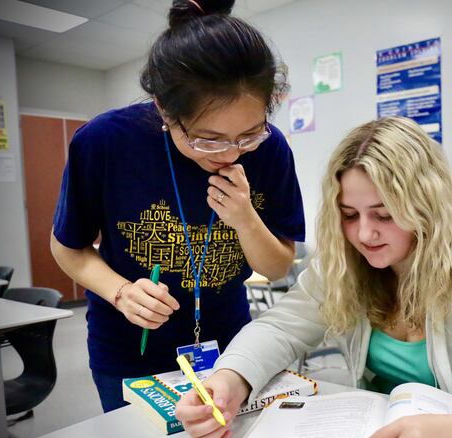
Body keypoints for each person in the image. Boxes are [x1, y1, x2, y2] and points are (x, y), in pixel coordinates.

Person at [175, 117, 452, 438]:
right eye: (350, 215)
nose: (365, 234)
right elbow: (280, 327)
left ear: (425, 206)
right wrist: (232, 379)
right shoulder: (349, 258)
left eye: (385, 215)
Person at [50, 0, 304, 413]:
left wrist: (244, 219)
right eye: (208, 138)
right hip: (131, 351)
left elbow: (277, 267)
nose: (230, 153)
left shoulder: (270, 149)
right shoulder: (105, 142)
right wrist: (121, 293)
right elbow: (67, 247)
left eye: (248, 134)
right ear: (165, 110)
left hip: (231, 350)